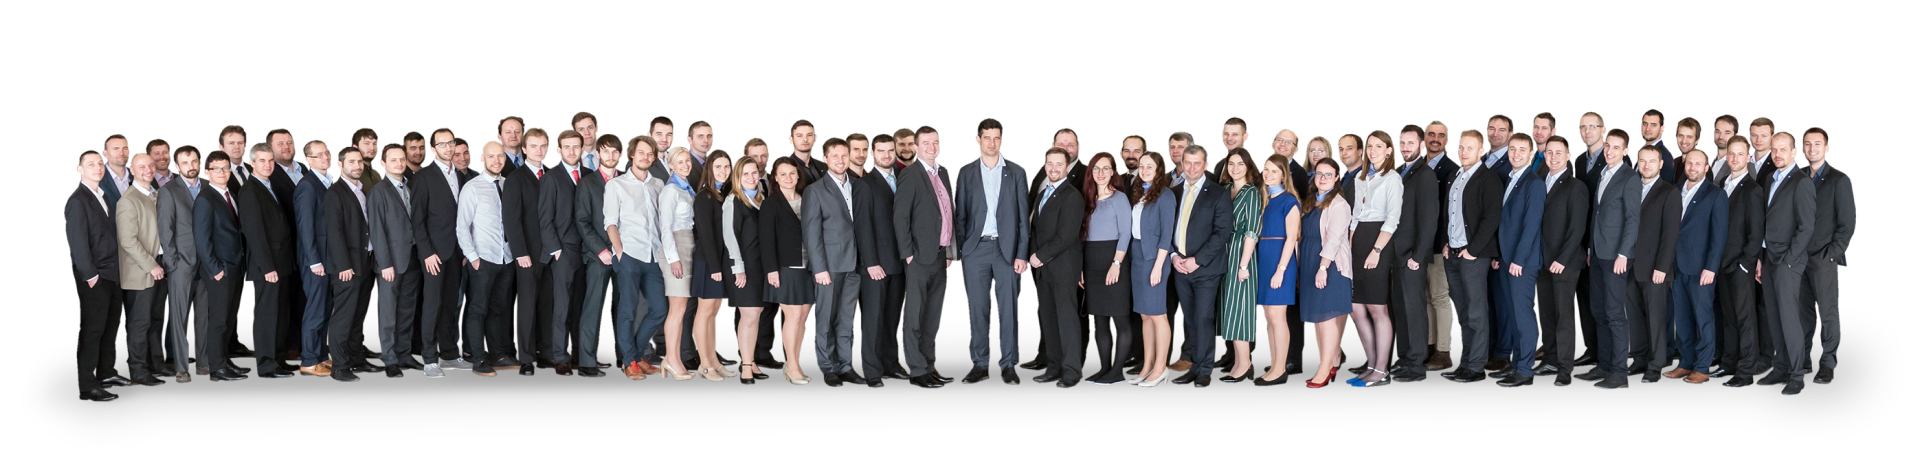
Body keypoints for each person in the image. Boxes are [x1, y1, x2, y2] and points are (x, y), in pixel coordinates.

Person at [954, 119, 1031, 384]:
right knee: (978, 308)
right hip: (975, 250)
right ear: (978, 139)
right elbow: (961, 215)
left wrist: (1021, 253)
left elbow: (1023, 218)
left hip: (1006, 251)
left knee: (1008, 309)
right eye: (987, 137)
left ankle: (1008, 364)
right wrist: (964, 249)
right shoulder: (966, 173)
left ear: (1001, 139)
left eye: (996, 137)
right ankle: (980, 364)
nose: (991, 143)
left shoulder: (1016, 172)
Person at [802, 138, 870, 387]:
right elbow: (811, 234)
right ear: (826, 159)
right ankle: (828, 367)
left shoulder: (858, 185)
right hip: (829, 267)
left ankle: (846, 366)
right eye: (835, 156)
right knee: (826, 319)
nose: (840, 160)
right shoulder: (815, 190)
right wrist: (819, 268)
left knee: (846, 319)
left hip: (854, 265)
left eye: (844, 155)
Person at [1578, 129, 1642, 390]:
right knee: (1599, 311)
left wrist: (1624, 253)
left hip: (1616, 256)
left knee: (1615, 314)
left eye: (1617, 147)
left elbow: (1633, 219)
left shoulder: (1630, 178)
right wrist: (1590, 249)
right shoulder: (1604, 173)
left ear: (1625, 151)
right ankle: (1604, 365)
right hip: (1597, 253)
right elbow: (1597, 214)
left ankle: (1619, 372)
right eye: (1608, 146)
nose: (1610, 151)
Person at [605, 136, 671, 380]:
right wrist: (620, 252)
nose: (646, 157)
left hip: (653, 256)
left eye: (650, 153)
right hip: (629, 255)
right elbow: (610, 222)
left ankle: (636, 354)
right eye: (641, 152)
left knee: (660, 308)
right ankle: (629, 361)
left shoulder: (658, 184)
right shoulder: (616, 185)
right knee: (628, 310)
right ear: (632, 154)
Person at [894, 126, 955, 388]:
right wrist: (908, 254)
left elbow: (947, 212)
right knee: (915, 316)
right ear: (916, 147)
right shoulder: (910, 175)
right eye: (926, 143)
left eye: (935, 142)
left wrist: (950, 249)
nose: (932, 147)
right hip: (918, 257)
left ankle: (929, 366)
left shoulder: (943, 172)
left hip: (940, 256)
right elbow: (900, 217)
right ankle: (917, 371)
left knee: (932, 317)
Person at [1168, 145, 1233, 388]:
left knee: (1203, 317)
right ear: (1182, 164)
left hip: (1206, 268)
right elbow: (1166, 228)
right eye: (1188, 162)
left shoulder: (1218, 193)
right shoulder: (1173, 193)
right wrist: (1174, 256)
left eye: (1197, 163)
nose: (1192, 167)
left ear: (1205, 165)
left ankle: (1205, 370)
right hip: (1180, 267)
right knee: (1190, 319)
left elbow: (1222, 232)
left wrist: (1197, 260)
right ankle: (1194, 367)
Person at [1757, 132, 1816, 395]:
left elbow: (1806, 227)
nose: (1777, 154)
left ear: (1794, 152)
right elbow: (1767, 222)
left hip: (1787, 262)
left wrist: (1790, 260)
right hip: (1769, 259)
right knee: (1774, 316)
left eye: (1783, 149)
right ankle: (1780, 367)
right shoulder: (1771, 178)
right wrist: (1761, 259)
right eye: (1774, 149)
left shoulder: (1801, 182)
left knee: (1790, 319)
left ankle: (1796, 374)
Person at [1441, 130, 1501, 384]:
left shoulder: (1488, 178)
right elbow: (1450, 214)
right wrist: (1446, 243)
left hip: (1473, 257)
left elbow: (1491, 218)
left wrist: (1473, 250)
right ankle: (1465, 364)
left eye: (1470, 148)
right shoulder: (1456, 176)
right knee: (1464, 313)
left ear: (1480, 151)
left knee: (1476, 313)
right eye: (1461, 147)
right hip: (1453, 254)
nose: (1464, 152)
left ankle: (1476, 367)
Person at [1344, 131, 1403, 387]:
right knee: (1356, 308)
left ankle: (1382, 370)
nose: (1373, 150)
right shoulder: (1361, 177)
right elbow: (1355, 216)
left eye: (1379, 146)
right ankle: (1371, 365)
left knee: (1377, 308)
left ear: (1389, 150)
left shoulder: (1392, 179)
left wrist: (1376, 250)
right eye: (1370, 146)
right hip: (1358, 240)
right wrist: (1349, 247)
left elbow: (1392, 218)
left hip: (1378, 241)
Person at [72, 151, 130, 401]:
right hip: (95, 277)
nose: (97, 168)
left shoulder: (103, 195)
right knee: (93, 330)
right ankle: (87, 386)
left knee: (110, 326)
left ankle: (106, 372)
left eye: (99, 164)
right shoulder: (78, 200)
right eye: (90, 164)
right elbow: (78, 243)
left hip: (113, 273)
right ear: (80, 169)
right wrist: (90, 276)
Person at [1666, 149, 1727, 384]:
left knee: (1703, 318)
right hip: (1676, 265)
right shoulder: (1675, 191)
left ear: (1706, 168)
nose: (1692, 167)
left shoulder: (1716, 194)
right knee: (1682, 318)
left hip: (1701, 268)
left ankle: (1702, 367)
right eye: (1689, 163)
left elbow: (1719, 236)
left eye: (1698, 163)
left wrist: (1711, 267)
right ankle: (1686, 363)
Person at [455, 142, 516, 377]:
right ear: (483, 158)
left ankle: (498, 355)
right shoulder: (472, 188)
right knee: (477, 310)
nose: (496, 161)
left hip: (505, 259)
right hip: (483, 259)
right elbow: (462, 226)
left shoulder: (508, 185)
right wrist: (473, 257)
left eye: (500, 156)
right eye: (491, 156)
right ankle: (478, 359)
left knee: (498, 309)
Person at [412, 130, 470, 371]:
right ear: (434, 148)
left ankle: (449, 353)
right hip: (434, 254)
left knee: (450, 304)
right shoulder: (423, 177)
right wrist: (426, 252)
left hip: (457, 252)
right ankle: (429, 357)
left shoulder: (461, 176)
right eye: (442, 144)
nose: (448, 147)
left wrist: (466, 249)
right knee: (432, 305)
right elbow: (417, 219)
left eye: (451, 143)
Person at [1534, 137, 1589, 385]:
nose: (1553, 157)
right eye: (1549, 152)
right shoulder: (1539, 182)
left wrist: (1562, 259)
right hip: (1543, 261)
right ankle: (1550, 359)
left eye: (1559, 152)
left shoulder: (1576, 187)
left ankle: (1565, 368)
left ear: (1568, 156)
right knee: (1547, 315)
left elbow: (1577, 229)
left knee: (1564, 316)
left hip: (1565, 263)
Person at [191, 152, 250, 382]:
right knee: (218, 320)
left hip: (235, 267)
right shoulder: (205, 199)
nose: (222, 172)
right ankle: (217, 368)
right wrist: (215, 269)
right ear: (207, 172)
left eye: (225, 168)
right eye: (216, 169)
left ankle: (225, 361)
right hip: (219, 270)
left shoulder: (230, 194)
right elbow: (202, 239)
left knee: (229, 318)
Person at [1029, 147, 1086, 388]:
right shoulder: (1044, 193)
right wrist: (1032, 256)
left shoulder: (1072, 196)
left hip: (1063, 269)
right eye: (1050, 164)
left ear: (1067, 167)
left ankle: (1072, 371)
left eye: (1059, 164)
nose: (1053, 168)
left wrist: (1040, 256)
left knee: (1067, 321)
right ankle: (1054, 367)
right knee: (1049, 319)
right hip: (1043, 270)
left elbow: (1067, 236)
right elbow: (1035, 229)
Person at [1492, 135, 1545, 387]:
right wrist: (1499, 256)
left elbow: (1531, 225)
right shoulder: (1509, 179)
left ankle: (1525, 370)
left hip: (1522, 262)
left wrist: (1519, 260)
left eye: (1522, 150)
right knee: (1513, 315)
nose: (1516, 154)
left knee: (1523, 316)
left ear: (1530, 153)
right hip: (1507, 259)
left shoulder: (1534, 183)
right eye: (1512, 149)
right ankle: (1515, 365)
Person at [1798, 128, 1850, 385]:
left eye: (1817, 144)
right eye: (1807, 144)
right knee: (1803, 314)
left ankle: (1827, 363)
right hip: (1798, 259)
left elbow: (1847, 223)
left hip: (1823, 259)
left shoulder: (1838, 180)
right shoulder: (1797, 177)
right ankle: (1803, 360)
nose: (1812, 148)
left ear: (1826, 147)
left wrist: (1831, 255)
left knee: (1828, 313)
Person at [1712, 136, 1764, 386]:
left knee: (1745, 319)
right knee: (1729, 317)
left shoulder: (1753, 189)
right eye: (1731, 153)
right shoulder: (1723, 184)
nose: (1734, 158)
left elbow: (1756, 233)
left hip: (1740, 266)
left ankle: (1746, 371)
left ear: (1748, 157)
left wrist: (1746, 264)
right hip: (1722, 264)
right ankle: (1729, 363)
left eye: (1740, 154)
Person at [858, 134, 910, 385]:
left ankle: (890, 364)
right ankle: (872, 371)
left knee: (891, 319)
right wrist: (870, 262)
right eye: (881, 151)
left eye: (890, 150)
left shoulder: (904, 178)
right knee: (873, 320)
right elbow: (862, 226)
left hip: (900, 263)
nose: (887, 155)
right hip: (876, 265)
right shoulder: (864, 184)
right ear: (873, 153)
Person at [367, 145, 423, 378]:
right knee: (388, 312)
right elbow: (376, 230)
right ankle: (390, 359)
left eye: (402, 159)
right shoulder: (378, 191)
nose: (399, 163)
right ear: (383, 163)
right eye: (393, 160)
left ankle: (404, 354)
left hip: (412, 259)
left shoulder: (410, 186)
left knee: (407, 311)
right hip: (390, 263)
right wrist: (385, 263)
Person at [1626, 145, 1680, 383]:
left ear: (1661, 164)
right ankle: (1639, 359)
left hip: (1654, 267)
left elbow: (1671, 234)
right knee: (1635, 316)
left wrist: (1662, 267)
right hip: (1629, 264)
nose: (1646, 166)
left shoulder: (1669, 192)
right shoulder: (1630, 188)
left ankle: (1656, 364)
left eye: (1651, 161)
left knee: (1656, 318)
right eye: (1642, 161)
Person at [1389, 125, 1440, 381]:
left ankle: (1417, 364)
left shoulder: (1425, 174)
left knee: (1415, 311)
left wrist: (1417, 257)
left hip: (1412, 257)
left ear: (1421, 145)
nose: (1405, 147)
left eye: (1410, 143)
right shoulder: (1398, 172)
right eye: (1402, 142)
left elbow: (1429, 220)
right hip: (1395, 255)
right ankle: (1405, 358)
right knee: (1400, 310)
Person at [1297, 158, 1353, 387]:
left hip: (1329, 266)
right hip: (1310, 263)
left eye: (1328, 174)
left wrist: (1322, 268)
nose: (1322, 178)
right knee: (1318, 320)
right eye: (1319, 174)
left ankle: (1325, 368)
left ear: (1336, 178)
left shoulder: (1339, 204)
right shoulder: (1311, 201)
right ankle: (1328, 363)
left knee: (1326, 319)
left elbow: (1334, 240)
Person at [321, 147, 375, 382]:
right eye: (351, 162)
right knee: (343, 318)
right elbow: (334, 232)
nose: (357, 166)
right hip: (347, 268)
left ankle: (356, 359)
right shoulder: (335, 193)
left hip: (364, 263)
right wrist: (343, 265)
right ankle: (340, 366)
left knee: (357, 316)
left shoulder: (360, 191)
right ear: (341, 165)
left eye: (360, 161)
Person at [115, 153, 168, 387]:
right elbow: (127, 240)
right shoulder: (128, 200)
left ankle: (156, 364)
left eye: (151, 165)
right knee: (140, 323)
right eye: (142, 166)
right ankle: (138, 371)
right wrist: (151, 265)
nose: (148, 169)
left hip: (160, 266)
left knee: (156, 319)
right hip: (141, 271)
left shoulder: (155, 194)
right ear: (132, 170)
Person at [760, 157, 815, 385]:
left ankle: (794, 362)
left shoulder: (808, 199)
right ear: (775, 177)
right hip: (785, 268)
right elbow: (766, 240)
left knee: (802, 318)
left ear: (798, 175)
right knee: (792, 317)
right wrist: (771, 270)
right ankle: (791, 366)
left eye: (792, 173)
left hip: (809, 268)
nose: (788, 178)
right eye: (783, 174)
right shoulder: (771, 204)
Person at [572, 135, 622, 378]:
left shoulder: (626, 180)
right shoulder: (587, 183)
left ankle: (625, 357)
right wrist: (602, 250)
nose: (610, 156)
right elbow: (582, 221)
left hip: (624, 255)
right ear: (598, 154)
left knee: (624, 308)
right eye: (606, 152)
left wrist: (621, 249)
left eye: (615, 152)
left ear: (620, 154)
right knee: (592, 307)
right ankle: (586, 362)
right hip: (597, 256)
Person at [1080, 152, 1132, 385]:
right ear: (1091, 172)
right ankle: (1105, 369)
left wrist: (1116, 264)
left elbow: (1125, 233)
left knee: (1120, 319)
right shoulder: (1087, 198)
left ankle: (1117, 371)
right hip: (1092, 263)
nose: (1101, 173)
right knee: (1099, 320)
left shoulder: (1119, 198)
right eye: (1096, 168)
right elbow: (1082, 236)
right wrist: (1081, 267)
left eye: (1106, 168)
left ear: (1113, 172)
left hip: (1114, 261)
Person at [1250, 153, 1301, 386]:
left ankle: (1280, 369)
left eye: (1274, 170)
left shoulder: (1290, 201)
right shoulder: (1264, 199)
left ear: (1284, 175)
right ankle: (1274, 364)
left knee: (1278, 317)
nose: (1268, 174)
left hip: (1280, 262)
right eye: (1266, 169)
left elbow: (1291, 238)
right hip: (1265, 260)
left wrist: (1281, 270)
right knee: (1269, 317)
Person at [540, 131, 589, 376]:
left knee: (581, 306)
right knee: (562, 308)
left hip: (587, 252)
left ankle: (580, 355)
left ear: (582, 149)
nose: (571, 151)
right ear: (559, 150)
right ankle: (560, 357)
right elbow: (544, 218)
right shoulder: (551, 177)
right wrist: (556, 251)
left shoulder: (589, 176)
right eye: (566, 147)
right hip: (564, 251)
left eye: (576, 147)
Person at [502, 128, 550, 375]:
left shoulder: (551, 174)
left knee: (548, 304)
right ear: (524, 149)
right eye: (533, 146)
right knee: (527, 306)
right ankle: (527, 358)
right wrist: (520, 252)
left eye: (542, 146)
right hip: (527, 254)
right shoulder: (516, 178)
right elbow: (511, 219)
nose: (538, 150)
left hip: (551, 253)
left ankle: (546, 353)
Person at [1213, 148, 1263, 382]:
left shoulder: (1251, 193)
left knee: (1240, 309)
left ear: (1248, 166)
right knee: (1229, 309)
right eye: (1231, 164)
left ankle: (1245, 363)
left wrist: (1243, 265)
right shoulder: (1224, 190)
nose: (1235, 168)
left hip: (1242, 254)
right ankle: (1239, 362)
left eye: (1240, 164)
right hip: (1223, 254)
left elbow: (1252, 231)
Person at [1128, 152, 1177, 387]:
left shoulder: (1165, 196)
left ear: (1158, 169)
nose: (1145, 169)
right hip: (1137, 255)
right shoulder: (1139, 192)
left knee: (1157, 314)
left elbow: (1167, 235)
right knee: (1145, 315)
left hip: (1155, 258)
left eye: (1150, 166)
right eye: (1142, 166)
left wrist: (1158, 266)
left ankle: (1160, 368)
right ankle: (1147, 366)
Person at [157, 146, 204, 383]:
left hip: (207, 264)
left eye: (194, 161)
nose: (190, 166)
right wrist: (172, 262)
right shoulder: (168, 191)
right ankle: (181, 367)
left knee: (205, 315)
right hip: (181, 263)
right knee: (179, 317)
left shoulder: (208, 187)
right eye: (185, 162)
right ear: (177, 166)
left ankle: (204, 363)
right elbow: (165, 230)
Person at [723, 154, 770, 384]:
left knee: (756, 313)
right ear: (737, 177)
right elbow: (730, 237)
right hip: (742, 266)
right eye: (745, 174)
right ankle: (746, 366)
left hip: (759, 266)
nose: (751, 177)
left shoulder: (761, 200)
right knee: (749, 314)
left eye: (754, 173)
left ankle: (751, 361)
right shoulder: (733, 201)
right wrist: (738, 268)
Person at [292, 141, 337, 377]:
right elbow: (305, 227)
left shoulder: (327, 181)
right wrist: (314, 261)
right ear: (308, 160)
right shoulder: (307, 186)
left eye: (326, 153)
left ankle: (320, 356)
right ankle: (309, 360)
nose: (325, 157)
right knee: (315, 310)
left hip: (328, 258)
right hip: (315, 260)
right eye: (318, 155)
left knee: (325, 308)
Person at [655, 147, 700, 380]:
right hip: (676, 247)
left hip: (688, 246)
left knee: (682, 309)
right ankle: (671, 359)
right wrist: (673, 258)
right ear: (670, 165)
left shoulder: (685, 188)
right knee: (677, 309)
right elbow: (665, 227)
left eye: (687, 161)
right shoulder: (670, 190)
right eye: (679, 162)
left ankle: (674, 358)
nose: (685, 165)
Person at [692, 150, 736, 382]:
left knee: (713, 312)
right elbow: (706, 235)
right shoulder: (704, 197)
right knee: (705, 311)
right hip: (708, 262)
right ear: (709, 169)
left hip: (719, 261)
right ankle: (705, 364)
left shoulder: (724, 195)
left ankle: (714, 361)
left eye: (727, 166)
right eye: (718, 166)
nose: (723, 171)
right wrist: (715, 268)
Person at [1419, 122, 1459, 371]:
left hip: (1437, 246)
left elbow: (1450, 212)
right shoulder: (1416, 167)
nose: (1436, 139)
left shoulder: (1452, 170)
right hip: (1418, 247)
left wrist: (1446, 243)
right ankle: (1430, 347)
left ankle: (1443, 352)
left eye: (1441, 135)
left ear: (1446, 140)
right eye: (1431, 134)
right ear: (1424, 139)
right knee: (1425, 297)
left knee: (1440, 297)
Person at [1642, 110, 1677, 184]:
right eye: (1645, 124)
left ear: (1661, 129)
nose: (1648, 129)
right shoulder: (1643, 152)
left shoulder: (1664, 156)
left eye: (1653, 125)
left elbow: (1666, 188)